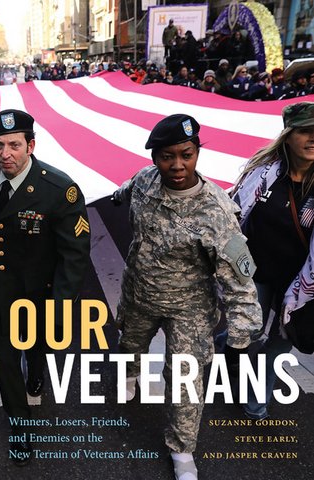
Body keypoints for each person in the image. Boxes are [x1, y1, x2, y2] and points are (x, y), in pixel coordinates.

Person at [112, 114, 262, 480]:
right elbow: (126, 189)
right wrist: (116, 195)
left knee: (184, 379)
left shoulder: (217, 210)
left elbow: (239, 277)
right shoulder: (146, 181)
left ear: (197, 153)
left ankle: (182, 451)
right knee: (129, 344)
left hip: (189, 308)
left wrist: (242, 330)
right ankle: (130, 373)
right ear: (154, 158)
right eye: (166, 156)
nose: (177, 165)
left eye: (186, 154)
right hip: (140, 294)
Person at [0, 109, 90, 465]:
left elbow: (74, 255)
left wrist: (60, 304)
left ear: (31, 145)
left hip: (36, 294)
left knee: (34, 347)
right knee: (4, 359)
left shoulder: (58, 190)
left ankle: (36, 374)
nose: (6, 154)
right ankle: (20, 429)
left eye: (15, 145)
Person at [228, 101, 314, 420]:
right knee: (249, 331)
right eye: (305, 131)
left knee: (280, 341)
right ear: (288, 136)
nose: (313, 138)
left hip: (301, 284)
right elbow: (234, 207)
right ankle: (229, 343)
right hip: (257, 273)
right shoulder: (263, 172)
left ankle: (257, 392)